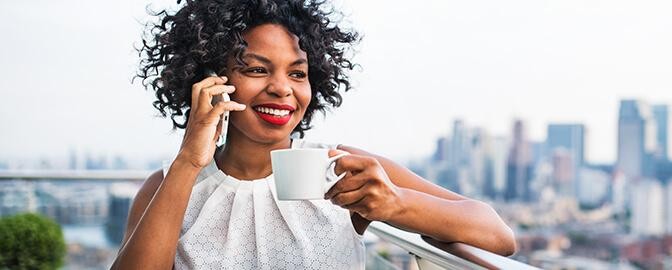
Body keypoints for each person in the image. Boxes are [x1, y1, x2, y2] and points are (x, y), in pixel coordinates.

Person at [111, 0, 516, 269]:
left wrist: (395, 204)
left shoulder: (339, 169)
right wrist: (189, 161)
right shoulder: (167, 186)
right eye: (256, 69)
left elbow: (497, 235)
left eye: (298, 73)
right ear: (211, 80)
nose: (282, 88)